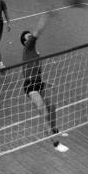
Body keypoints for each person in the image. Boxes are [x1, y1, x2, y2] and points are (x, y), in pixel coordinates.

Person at [20, 13, 68, 152]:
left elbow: (31, 72)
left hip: (38, 83)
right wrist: (46, 16)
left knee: (52, 107)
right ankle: (56, 143)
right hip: (30, 86)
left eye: (30, 36)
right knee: (43, 110)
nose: (30, 37)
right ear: (24, 41)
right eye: (27, 36)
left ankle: (54, 130)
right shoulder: (28, 46)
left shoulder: (34, 52)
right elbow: (38, 31)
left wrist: (46, 83)